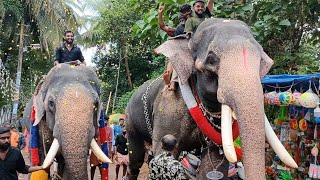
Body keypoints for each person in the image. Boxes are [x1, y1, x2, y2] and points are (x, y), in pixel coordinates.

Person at [158, 4, 192, 91]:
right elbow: (162, 27)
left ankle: (170, 79)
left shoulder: (196, 23)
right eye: (181, 20)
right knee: (174, 56)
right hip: (182, 52)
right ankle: (169, 78)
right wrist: (160, 14)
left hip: (194, 49)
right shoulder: (178, 29)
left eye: (188, 11)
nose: (182, 21)